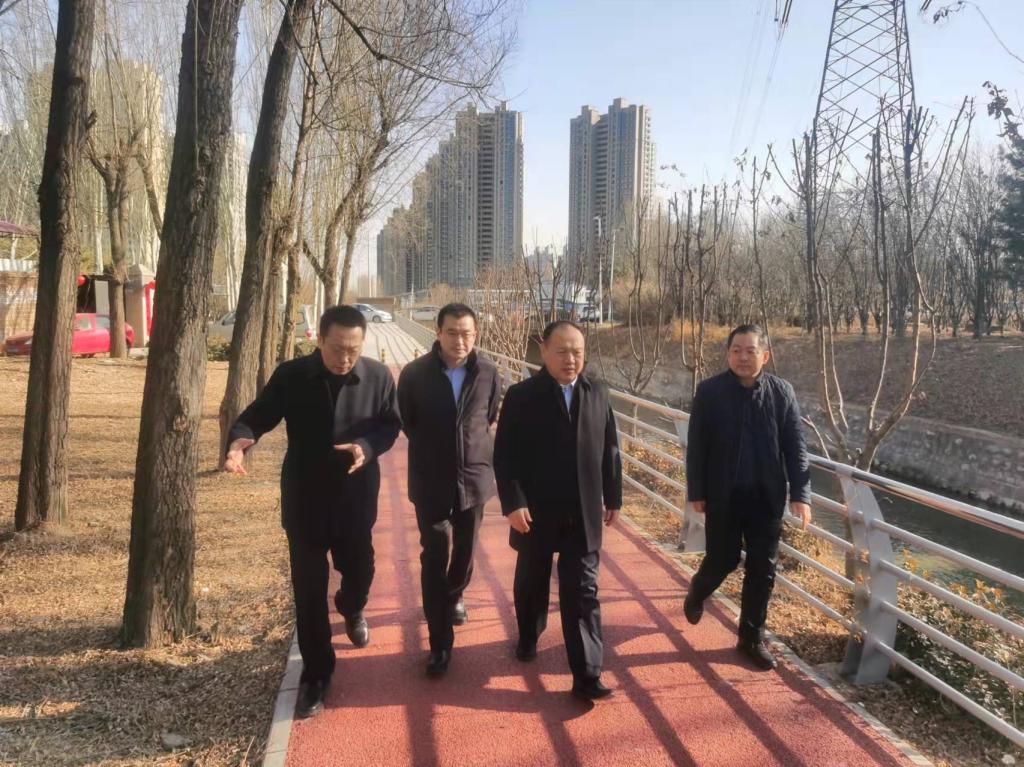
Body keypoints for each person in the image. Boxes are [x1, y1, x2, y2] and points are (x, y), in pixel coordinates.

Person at [224, 305, 401, 718]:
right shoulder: (292, 375)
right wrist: (238, 441)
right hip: (305, 499)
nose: (345, 358)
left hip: (355, 497)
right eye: (337, 349)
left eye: (353, 350)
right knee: (307, 590)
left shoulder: (377, 376)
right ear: (319, 339)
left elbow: (390, 426)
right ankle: (316, 674)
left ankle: (352, 606)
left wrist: (367, 447)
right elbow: (259, 415)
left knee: (360, 570)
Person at [493, 320, 622, 701]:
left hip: (583, 510)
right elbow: (505, 456)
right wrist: (513, 502)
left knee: (583, 590)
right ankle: (529, 634)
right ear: (544, 351)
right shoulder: (521, 396)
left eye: (577, 352)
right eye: (562, 351)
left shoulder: (597, 391)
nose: (570, 359)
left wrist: (613, 496)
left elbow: (610, 448)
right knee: (531, 580)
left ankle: (587, 674)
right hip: (535, 510)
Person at [683, 323, 812, 670]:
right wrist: (697, 491)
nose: (743, 357)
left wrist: (801, 494)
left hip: (766, 498)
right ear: (728, 354)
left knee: (762, 569)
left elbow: (795, 446)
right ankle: (698, 589)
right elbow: (697, 446)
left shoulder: (781, 393)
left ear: (764, 356)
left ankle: (750, 638)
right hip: (723, 496)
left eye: (751, 351)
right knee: (722, 559)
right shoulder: (709, 392)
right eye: (736, 350)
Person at [397, 303, 502, 677]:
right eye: (453, 332)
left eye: (467, 333)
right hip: (430, 481)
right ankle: (439, 643)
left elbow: (489, 416)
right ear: (438, 333)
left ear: (476, 335)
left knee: (465, 552)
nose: (460, 340)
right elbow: (408, 421)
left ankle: (454, 594)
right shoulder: (415, 374)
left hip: (474, 480)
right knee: (434, 554)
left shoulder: (488, 372)